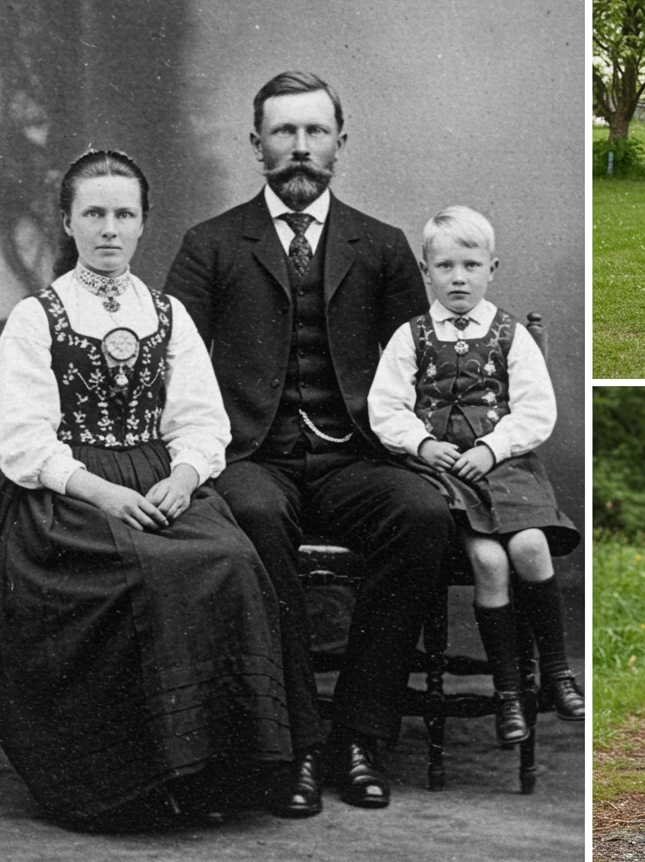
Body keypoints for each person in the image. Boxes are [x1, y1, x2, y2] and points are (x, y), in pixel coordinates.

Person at [164, 71, 453, 817]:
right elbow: (176, 370)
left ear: (340, 144)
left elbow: (418, 371)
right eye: (284, 133)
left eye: (314, 132)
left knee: (421, 516)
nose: (299, 148)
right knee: (253, 517)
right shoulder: (210, 245)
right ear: (256, 145)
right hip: (253, 457)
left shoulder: (383, 247)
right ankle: (293, 740)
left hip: (357, 455)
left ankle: (358, 735)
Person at [0, 150, 294, 829]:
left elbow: (201, 421)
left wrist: (184, 477)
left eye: (124, 214)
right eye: (94, 213)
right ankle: (139, 780)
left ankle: (215, 771)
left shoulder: (168, 313)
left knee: (231, 560)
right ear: (68, 221)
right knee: (151, 571)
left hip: (160, 482)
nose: (109, 229)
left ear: (144, 224)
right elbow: (25, 444)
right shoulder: (38, 318)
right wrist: (104, 493)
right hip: (66, 500)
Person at [368, 205, 583, 745]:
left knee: (530, 548)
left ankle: (556, 674)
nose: (458, 278)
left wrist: (491, 449)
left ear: (493, 267)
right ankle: (509, 693)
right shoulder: (410, 336)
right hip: (444, 475)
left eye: (470, 265)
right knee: (488, 558)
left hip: (502, 467)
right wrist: (423, 443)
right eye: (444, 267)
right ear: (426, 271)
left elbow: (536, 411)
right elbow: (385, 407)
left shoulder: (511, 334)